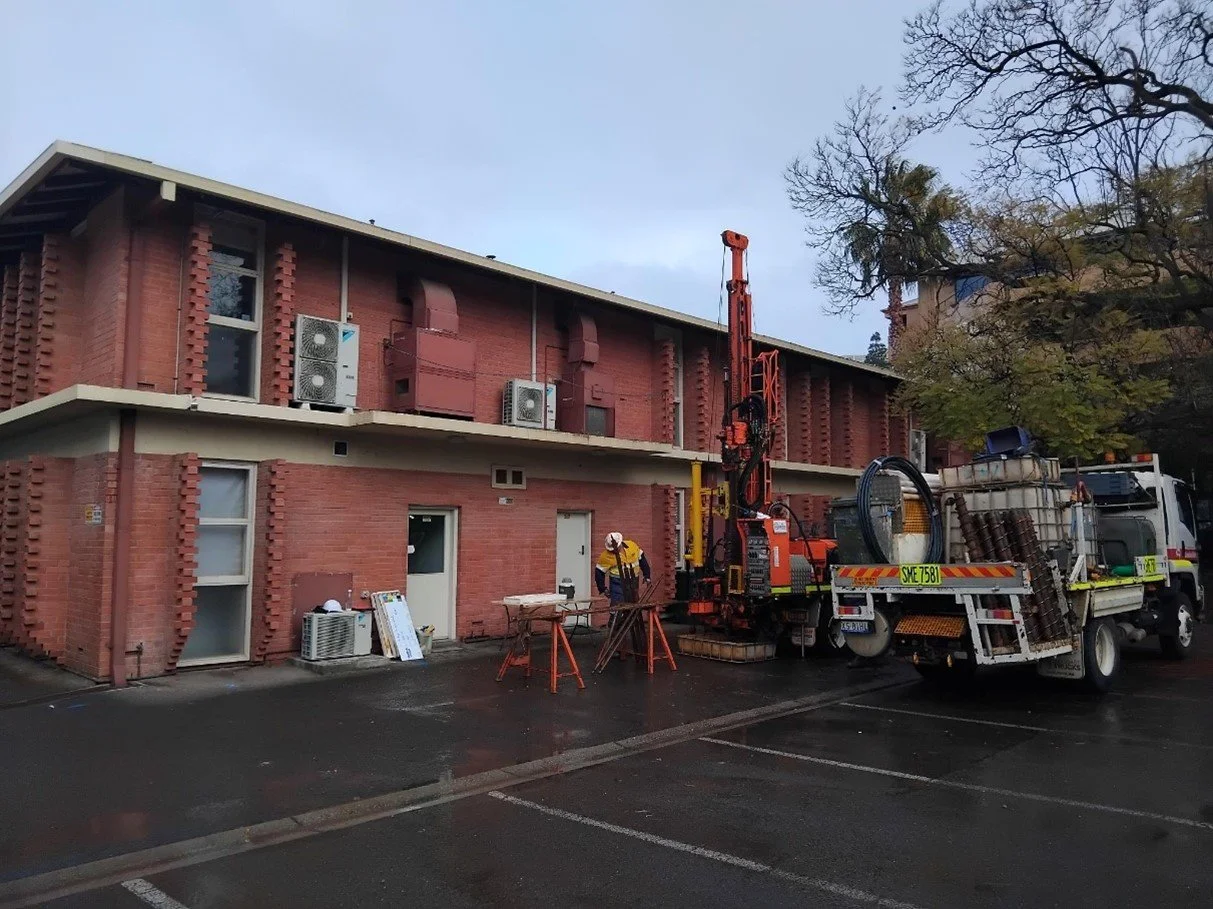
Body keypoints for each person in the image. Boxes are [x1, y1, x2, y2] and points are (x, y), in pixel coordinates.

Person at [594, 532, 651, 605]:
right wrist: (602, 588)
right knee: (617, 606)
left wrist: (647, 575)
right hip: (617, 583)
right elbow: (599, 572)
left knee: (633, 604)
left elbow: (642, 559)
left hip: (633, 581)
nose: (614, 551)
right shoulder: (606, 556)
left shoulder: (632, 546)